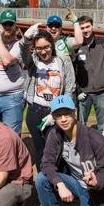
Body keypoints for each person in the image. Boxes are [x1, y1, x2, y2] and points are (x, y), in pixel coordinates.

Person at [34, 95, 104, 206]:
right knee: (42, 178)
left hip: (96, 192)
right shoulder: (55, 134)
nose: (63, 119)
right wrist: (60, 185)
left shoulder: (95, 138)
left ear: (74, 113)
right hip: (75, 184)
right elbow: (46, 163)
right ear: (53, 117)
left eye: (66, 114)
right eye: (58, 115)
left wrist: (96, 181)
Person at [20, 28, 75, 169]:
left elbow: (69, 88)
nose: (43, 52)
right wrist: (26, 40)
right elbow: (24, 55)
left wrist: (58, 112)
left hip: (56, 113)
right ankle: (43, 182)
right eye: (39, 48)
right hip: (36, 111)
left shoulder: (63, 62)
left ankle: (59, 180)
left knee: (57, 148)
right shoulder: (34, 60)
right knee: (40, 148)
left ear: (52, 45)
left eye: (46, 47)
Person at [72, 15, 104, 130]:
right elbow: (72, 70)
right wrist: (78, 89)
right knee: (80, 126)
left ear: (92, 26)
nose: (85, 30)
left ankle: (102, 147)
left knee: (103, 126)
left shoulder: (103, 42)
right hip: (83, 93)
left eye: (87, 27)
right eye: (82, 28)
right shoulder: (75, 45)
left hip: (102, 92)